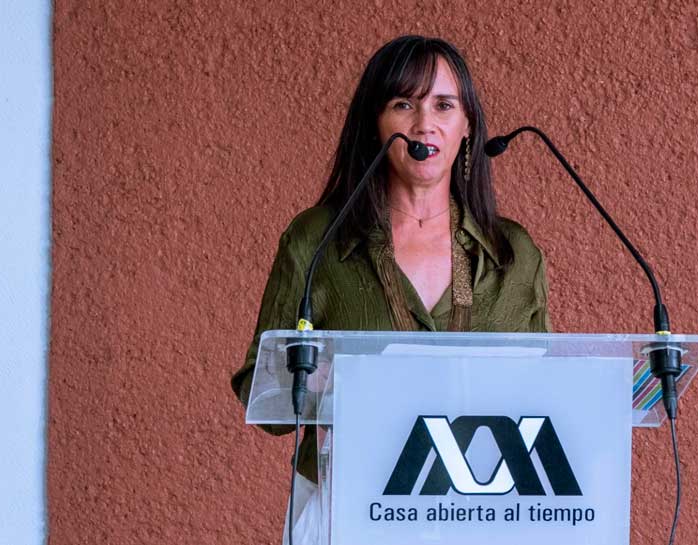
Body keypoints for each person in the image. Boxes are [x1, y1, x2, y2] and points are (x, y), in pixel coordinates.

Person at [229, 35, 552, 542]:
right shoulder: (317, 240)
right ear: (376, 123)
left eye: (443, 105)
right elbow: (261, 394)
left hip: (485, 514)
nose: (424, 123)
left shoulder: (515, 254)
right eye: (403, 104)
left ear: (467, 125)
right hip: (346, 508)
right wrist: (323, 379)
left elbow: (550, 394)